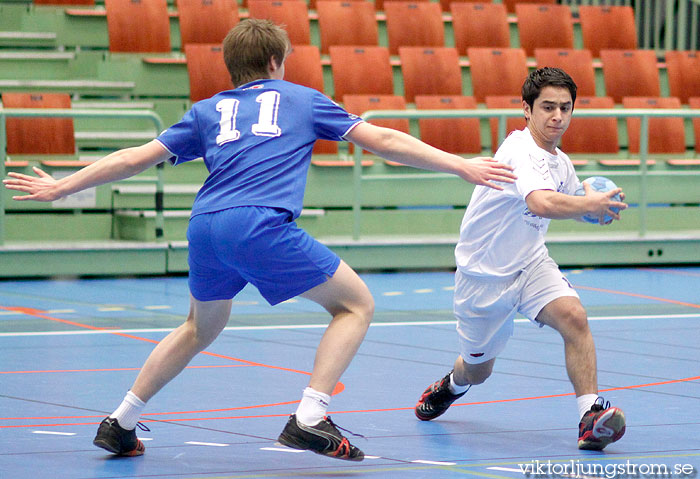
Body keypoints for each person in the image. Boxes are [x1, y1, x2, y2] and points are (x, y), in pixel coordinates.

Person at [3, 19, 516, 462]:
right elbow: (382, 139)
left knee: (198, 327)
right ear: (275, 60)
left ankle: (120, 422)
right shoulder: (300, 98)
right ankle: (311, 415)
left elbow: (135, 157)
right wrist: (460, 164)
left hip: (205, 226)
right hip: (258, 223)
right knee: (355, 304)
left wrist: (62, 186)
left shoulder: (207, 111)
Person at [413, 67, 628, 451]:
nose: (557, 116)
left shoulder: (561, 163)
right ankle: (452, 384)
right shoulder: (519, 151)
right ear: (526, 109)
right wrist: (586, 203)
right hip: (484, 278)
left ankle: (590, 414)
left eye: (565, 107)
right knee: (478, 370)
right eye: (547, 107)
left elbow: (560, 203)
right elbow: (540, 201)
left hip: (530, 264)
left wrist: (590, 209)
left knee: (575, 318)